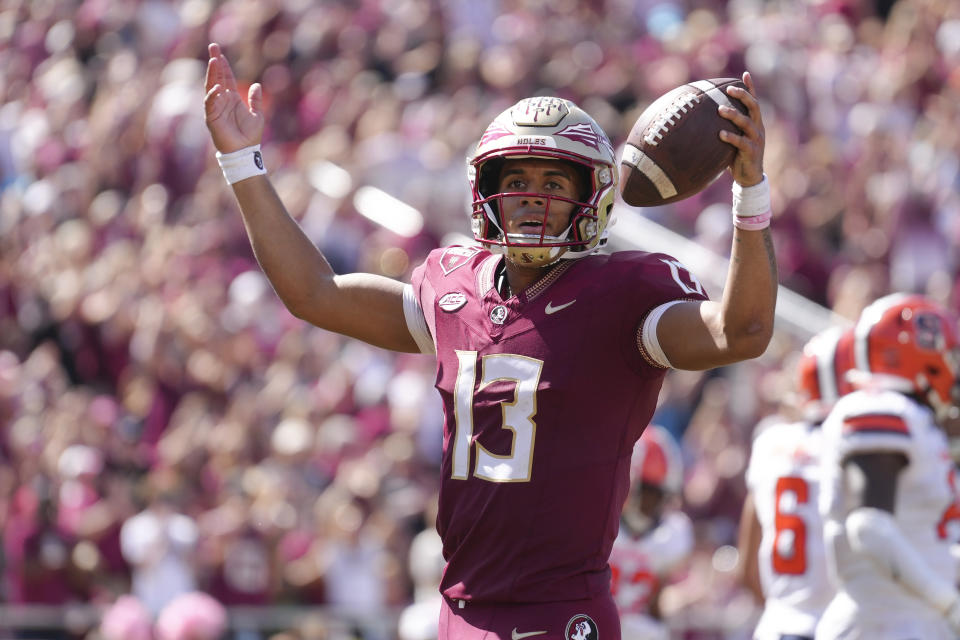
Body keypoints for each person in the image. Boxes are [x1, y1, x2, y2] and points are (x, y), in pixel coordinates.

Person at [204, 39, 777, 639]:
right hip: (461, 608)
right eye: (518, 177)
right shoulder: (456, 287)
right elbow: (315, 294)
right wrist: (242, 162)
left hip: (560, 614)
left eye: (555, 180)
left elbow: (743, 329)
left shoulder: (624, 294)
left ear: (593, 196)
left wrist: (750, 192)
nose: (532, 195)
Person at [815, 294, 960, 640]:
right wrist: (949, 604)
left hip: (910, 621)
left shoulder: (917, 422)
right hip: (887, 624)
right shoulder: (880, 407)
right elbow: (869, 527)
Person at [737, 326, 855, 640]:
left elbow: (747, 566)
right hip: (840, 628)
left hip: (777, 625)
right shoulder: (856, 451)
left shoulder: (769, 443)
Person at [609, 425, 693, 640]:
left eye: (660, 496)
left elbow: (664, 601)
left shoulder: (672, 533)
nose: (654, 505)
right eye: (650, 493)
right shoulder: (599, 525)